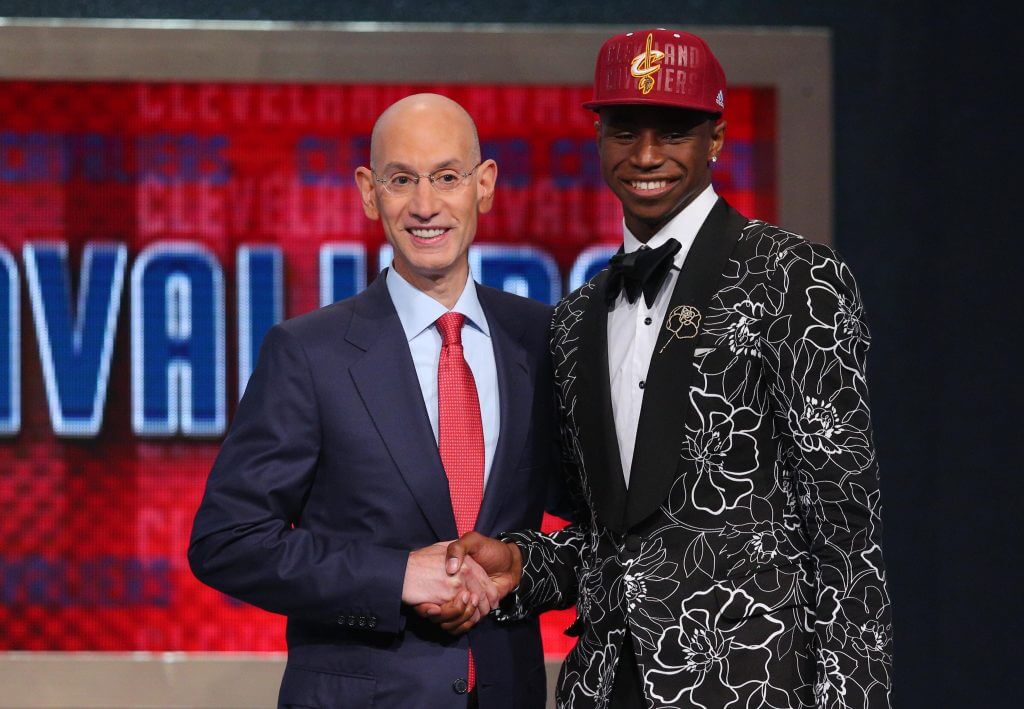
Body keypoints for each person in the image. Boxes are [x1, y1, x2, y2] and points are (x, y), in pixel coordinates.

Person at [445, 29, 893, 708]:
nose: (647, 155)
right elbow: (611, 540)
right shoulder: (575, 319)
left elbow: (845, 528)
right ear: (599, 139)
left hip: (754, 685)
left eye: (674, 132)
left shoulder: (794, 277)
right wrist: (523, 564)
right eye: (626, 131)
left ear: (716, 138)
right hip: (604, 685)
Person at [188, 93, 555, 709]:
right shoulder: (309, 353)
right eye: (401, 179)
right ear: (368, 192)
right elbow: (229, 540)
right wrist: (394, 576)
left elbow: (599, 524)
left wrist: (521, 565)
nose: (425, 205)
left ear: (485, 184)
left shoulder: (540, 339)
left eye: (447, 177)